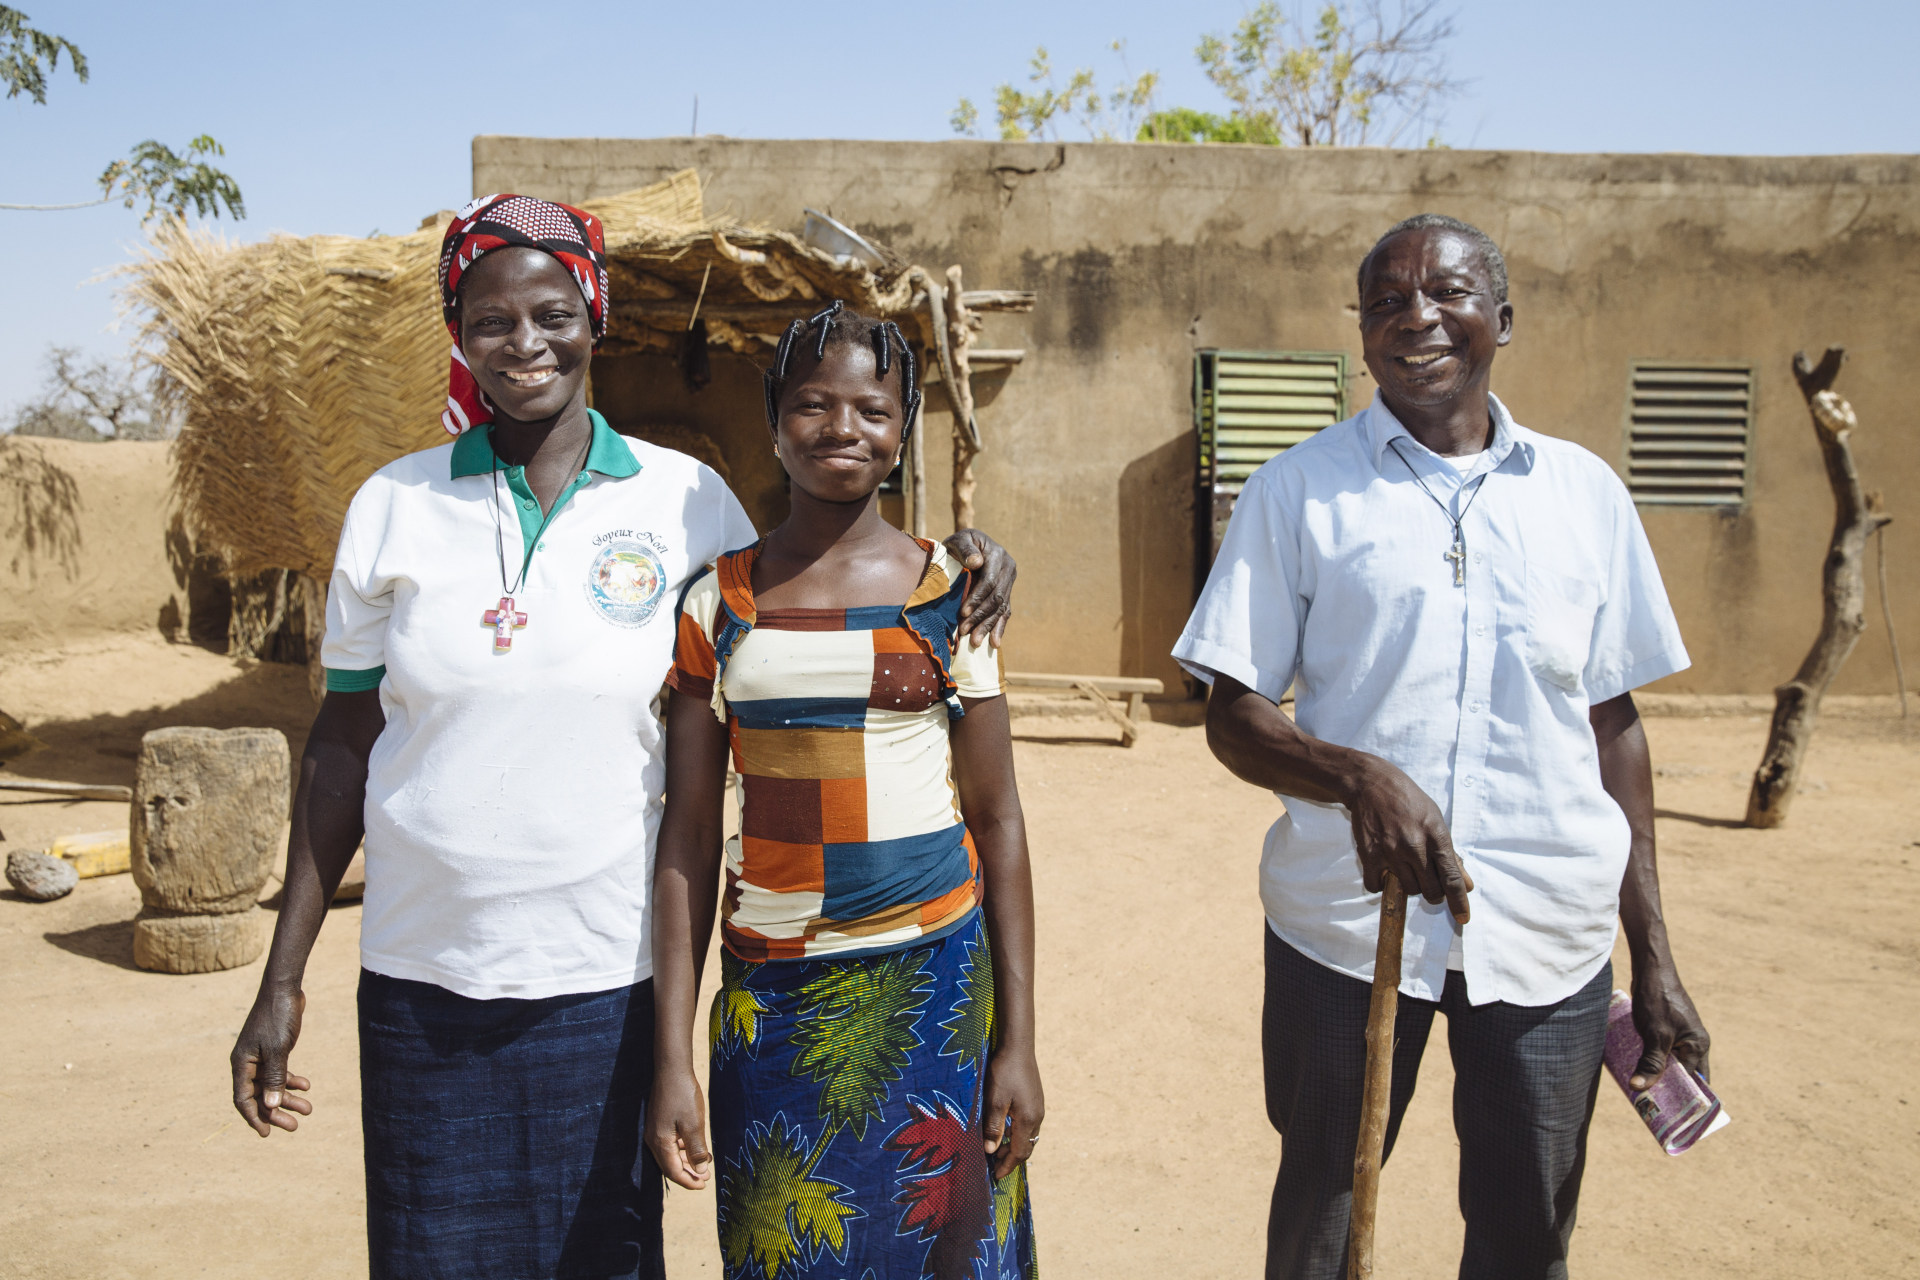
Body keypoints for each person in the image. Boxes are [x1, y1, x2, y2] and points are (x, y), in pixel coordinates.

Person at [227, 197, 1018, 1280]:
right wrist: (282, 974)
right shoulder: (393, 507)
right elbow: (338, 746)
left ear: (594, 319)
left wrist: (966, 555)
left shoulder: (686, 499)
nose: (525, 344)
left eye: (553, 313)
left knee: (601, 1256)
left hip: (605, 975)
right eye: (491, 320)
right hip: (422, 974)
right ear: (457, 331)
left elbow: (809, 580)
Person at [1174, 214, 1711, 1280]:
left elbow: (1614, 728)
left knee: (1526, 1232)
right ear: (1364, 335)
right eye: (1386, 301)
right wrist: (1354, 774)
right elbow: (1232, 709)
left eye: (1448, 293)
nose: (1416, 316)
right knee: (1325, 1209)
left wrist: (1653, 952)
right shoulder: (1298, 490)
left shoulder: (1585, 495)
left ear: (1501, 319)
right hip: (1345, 923)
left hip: (1550, 931)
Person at [647, 303, 1042, 1280]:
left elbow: (997, 818)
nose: (842, 428)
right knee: (791, 1246)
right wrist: (670, 1056)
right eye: (814, 403)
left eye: (872, 406)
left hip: (934, 989)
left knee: (946, 1247)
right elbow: (690, 833)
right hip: (772, 998)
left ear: (904, 424)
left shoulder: (951, 591)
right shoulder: (718, 602)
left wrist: (1020, 1043)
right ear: (776, 416)